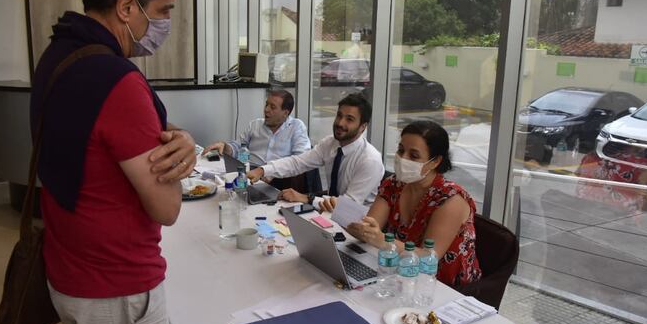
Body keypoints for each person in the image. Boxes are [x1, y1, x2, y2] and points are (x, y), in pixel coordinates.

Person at [30, 0, 195, 324]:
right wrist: (180, 162)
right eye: (162, 11)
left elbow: (99, 142)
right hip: (115, 279)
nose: (164, 24)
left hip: (70, 259)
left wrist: (166, 135)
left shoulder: (60, 56)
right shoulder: (117, 80)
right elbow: (166, 208)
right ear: (127, 6)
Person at [346, 121, 482, 287]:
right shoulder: (394, 184)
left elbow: (429, 256)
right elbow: (370, 226)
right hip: (398, 274)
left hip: (444, 287)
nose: (403, 158)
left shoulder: (451, 199)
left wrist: (383, 241)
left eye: (414, 156)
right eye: (401, 150)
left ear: (435, 161)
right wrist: (356, 225)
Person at [247, 92, 384, 210]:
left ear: (363, 127)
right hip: (328, 212)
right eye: (339, 115)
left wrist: (307, 198)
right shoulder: (330, 143)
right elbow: (298, 163)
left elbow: (348, 205)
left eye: (349, 119)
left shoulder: (370, 160)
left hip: (356, 222)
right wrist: (263, 170)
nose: (340, 123)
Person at [204, 89, 310, 165]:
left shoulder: (296, 127)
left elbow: (301, 159)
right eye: (266, 105)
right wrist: (225, 146)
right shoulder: (255, 125)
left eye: (272, 107)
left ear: (285, 113)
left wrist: (272, 172)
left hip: (279, 179)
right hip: (250, 173)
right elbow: (238, 147)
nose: (266, 110)